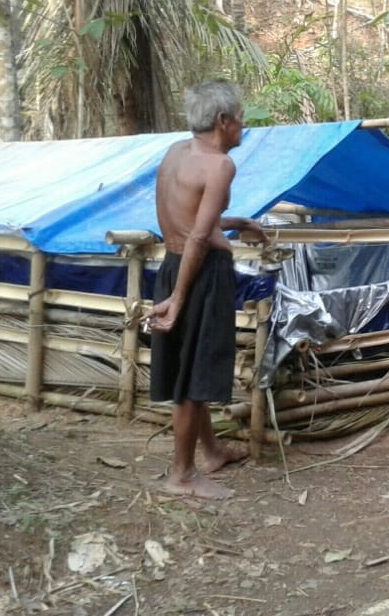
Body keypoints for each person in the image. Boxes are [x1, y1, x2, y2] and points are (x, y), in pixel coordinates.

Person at [148, 80, 266, 499]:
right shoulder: (220, 166)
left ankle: (211, 452)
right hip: (198, 274)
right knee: (193, 377)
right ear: (223, 121)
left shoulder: (176, 153)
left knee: (186, 366)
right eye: (240, 120)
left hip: (173, 264)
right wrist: (180, 298)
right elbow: (198, 237)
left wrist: (235, 224)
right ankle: (182, 475)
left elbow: (187, 219)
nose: (242, 128)